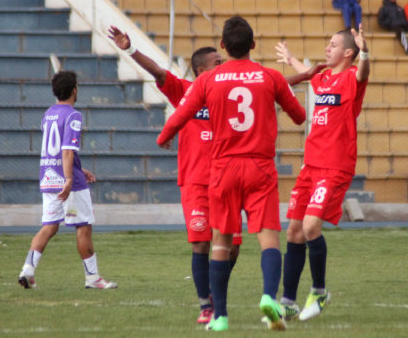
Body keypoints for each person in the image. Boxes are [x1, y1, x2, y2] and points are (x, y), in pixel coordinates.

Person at [156, 16, 320, 331]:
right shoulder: (270, 77)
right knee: (268, 238)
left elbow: (180, 116)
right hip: (260, 167)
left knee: (220, 241)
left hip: (222, 169)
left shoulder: (207, 80)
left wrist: (163, 138)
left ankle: (219, 317)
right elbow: (300, 117)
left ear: (223, 45)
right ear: (253, 45)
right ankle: (269, 297)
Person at [107, 26, 242, 324]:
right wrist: (130, 49)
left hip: (227, 179)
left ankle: (215, 290)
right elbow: (157, 71)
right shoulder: (185, 91)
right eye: (217, 63)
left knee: (232, 247)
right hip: (195, 181)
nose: (223, 65)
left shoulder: (231, 93)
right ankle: (206, 304)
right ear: (200, 69)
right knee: (201, 243)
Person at [275, 25, 369, 321]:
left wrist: (365, 52)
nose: (327, 49)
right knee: (292, 231)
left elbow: (364, 72)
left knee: (311, 228)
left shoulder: (352, 78)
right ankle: (288, 300)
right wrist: (291, 59)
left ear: (348, 53)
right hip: (310, 166)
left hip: (334, 167)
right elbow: (307, 71)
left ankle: (319, 292)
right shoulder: (323, 77)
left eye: (332, 45)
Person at [18, 71, 117, 290]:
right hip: (68, 184)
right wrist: (71, 178)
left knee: (49, 227)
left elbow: (58, 152)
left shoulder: (48, 114)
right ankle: (93, 278)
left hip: (48, 178)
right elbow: (65, 150)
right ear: (74, 89)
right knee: (83, 227)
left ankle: (28, 269)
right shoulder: (73, 115)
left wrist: (80, 169)